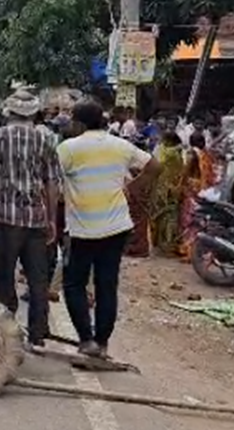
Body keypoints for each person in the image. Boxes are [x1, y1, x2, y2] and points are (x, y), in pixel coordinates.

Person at [58, 99, 160, 358]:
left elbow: (51, 180)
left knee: (74, 284)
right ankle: (102, 342)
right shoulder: (120, 144)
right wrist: (131, 189)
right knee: (107, 285)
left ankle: (86, 339)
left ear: (79, 122)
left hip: (82, 228)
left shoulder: (68, 148)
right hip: (116, 226)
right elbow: (154, 166)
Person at [0, 88, 60, 349]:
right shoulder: (46, 140)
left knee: (3, 276)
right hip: (35, 219)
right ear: (35, 114)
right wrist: (52, 219)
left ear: (9, 112)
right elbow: (52, 183)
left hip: (4, 218)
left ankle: (4, 330)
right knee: (37, 279)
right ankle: (37, 333)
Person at [151, 131, 185, 255]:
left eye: (165, 140)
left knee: (165, 217)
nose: (163, 141)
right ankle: (165, 244)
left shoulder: (169, 151)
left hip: (166, 188)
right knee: (167, 217)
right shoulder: (174, 151)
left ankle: (163, 244)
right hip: (167, 187)